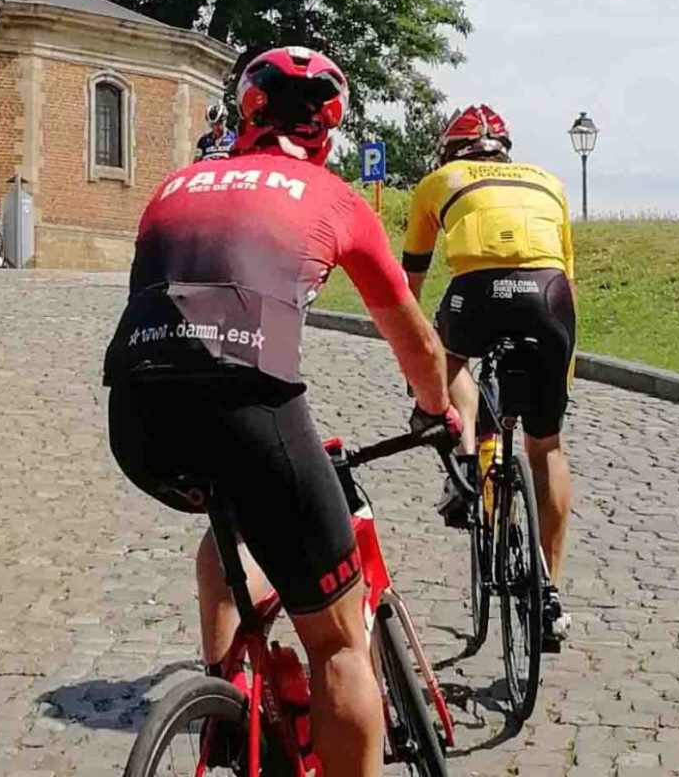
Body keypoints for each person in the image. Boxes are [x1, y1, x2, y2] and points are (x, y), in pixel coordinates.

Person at [106, 46, 456, 777]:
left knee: (230, 513)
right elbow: (416, 341)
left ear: (246, 113)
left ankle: (227, 692)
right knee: (337, 643)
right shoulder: (334, 198)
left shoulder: (174, 186)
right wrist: (438, 414)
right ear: (327, 129)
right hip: (251, 411)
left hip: (138, 419)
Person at [399, 104, 578, 650]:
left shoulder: (440, 181)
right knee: (546, 447)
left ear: (449, 151)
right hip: (550, 299)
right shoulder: (548, 181)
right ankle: (549, 592)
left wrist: (417, 366)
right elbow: (567, 272)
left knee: (448, 357)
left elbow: (410, 282)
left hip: (476, 296)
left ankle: (465, 460)